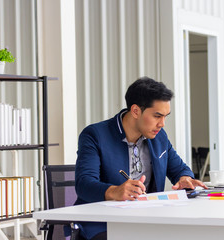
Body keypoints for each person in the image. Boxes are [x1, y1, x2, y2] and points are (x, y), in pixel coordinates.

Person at [74, 77, 207, 240]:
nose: (162, 124)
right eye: (157, 116)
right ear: (136, 111)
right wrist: (114, 191)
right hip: (104, 222)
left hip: (147, 219)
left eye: (166, 116)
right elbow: (84, 184)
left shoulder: (158, 137)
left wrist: (185, 178)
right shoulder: (95, 135)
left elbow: (179, 169)